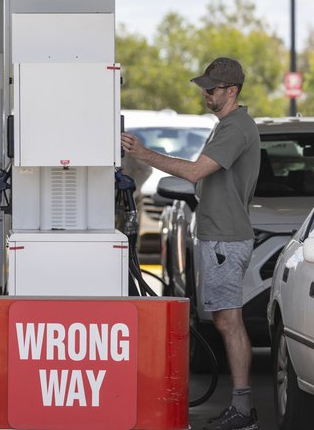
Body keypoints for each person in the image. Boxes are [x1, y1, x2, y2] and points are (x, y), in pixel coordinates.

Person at [121, 57, 260, 430]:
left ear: (232, 91)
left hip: (225, 239)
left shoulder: (235, 128)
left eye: (212, 89)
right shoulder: (227, 126)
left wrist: (144, 154)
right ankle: (242, 406)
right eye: (204, 87)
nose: (205, 94)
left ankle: (243, 409)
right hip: (219, 235)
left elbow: (197, 171)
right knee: (224, 319)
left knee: (229, 321)